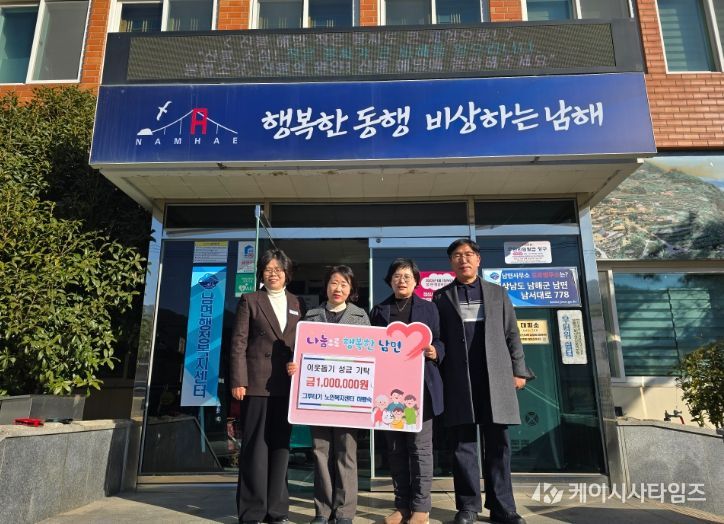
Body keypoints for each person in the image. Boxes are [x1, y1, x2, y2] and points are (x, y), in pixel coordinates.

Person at [432, 239, 529, 524]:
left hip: (495, 378)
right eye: (457, 256)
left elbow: (512, 334)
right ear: (451, 263)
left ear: (478, 259)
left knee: (498, 443)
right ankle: (468, 507)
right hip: (458, 380)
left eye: (468, 255)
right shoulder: (441, 297)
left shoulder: (498, 293)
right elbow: (439, 338)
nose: (463, 260)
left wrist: (519, 370)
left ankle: (503, 507)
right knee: (462, 445)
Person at [287, 265, 370, 524]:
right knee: (321, 452)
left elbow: (370, 357)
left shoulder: (360, 317)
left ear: (351, 289)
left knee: (346, 453)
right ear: (326, 286)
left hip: (349, 398)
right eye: (334, 282)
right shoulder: (311, 316)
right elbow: (299, 352)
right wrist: (295, 365)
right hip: (319, 397)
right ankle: (322, 511)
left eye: (344, 284)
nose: (338, 288)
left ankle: (344, 512)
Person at [230, 249, 303, 524]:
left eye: (278, 269)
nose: (273, 274)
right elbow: (238, 343)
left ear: (287, 273)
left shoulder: (296, 302)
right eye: (268, 269)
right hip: (256, 384)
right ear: (262, 273)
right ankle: (252, 512)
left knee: (281, 447)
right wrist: (239, 380)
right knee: (255, 449)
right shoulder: (250, 300)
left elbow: (302, 342)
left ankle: (277, 510)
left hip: (286, 385)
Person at [370, 258, 445, 524]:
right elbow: (371, 347)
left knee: (419, 449)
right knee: (396, 450)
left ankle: (421, 508)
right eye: (397, 276)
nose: (401, 280)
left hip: (420, 392)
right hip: (389, 393)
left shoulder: (429, 308)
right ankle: (401, 506)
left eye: (407, 276)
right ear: (389, 280)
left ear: (415, 281)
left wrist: (436, 351)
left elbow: (440, 339)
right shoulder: (379, 310)